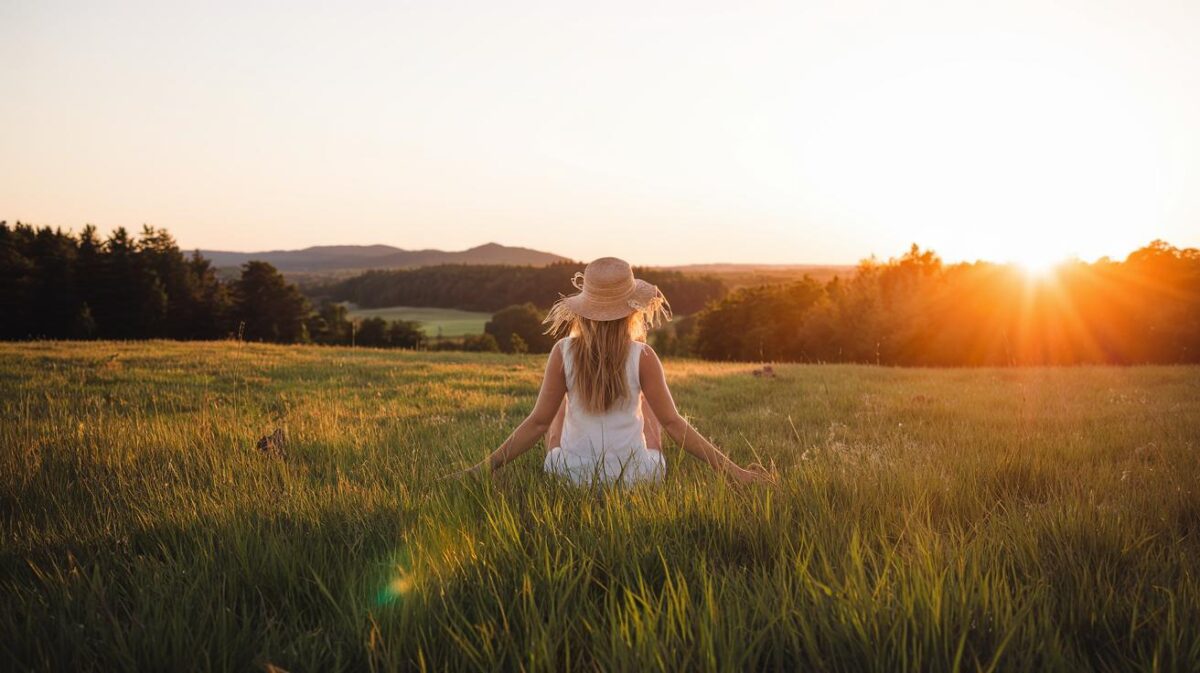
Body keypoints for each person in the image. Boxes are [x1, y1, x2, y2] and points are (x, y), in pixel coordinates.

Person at [457, 257, 772, 486]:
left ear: (585, 310)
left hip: (570, 479)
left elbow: (536, 424)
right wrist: (737, 473)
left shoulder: (561, 352)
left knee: (557, 410)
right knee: (648, 407)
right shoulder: (643, 356)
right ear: (633, 309)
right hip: (634, 479)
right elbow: (675, 425)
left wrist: (479, 470)